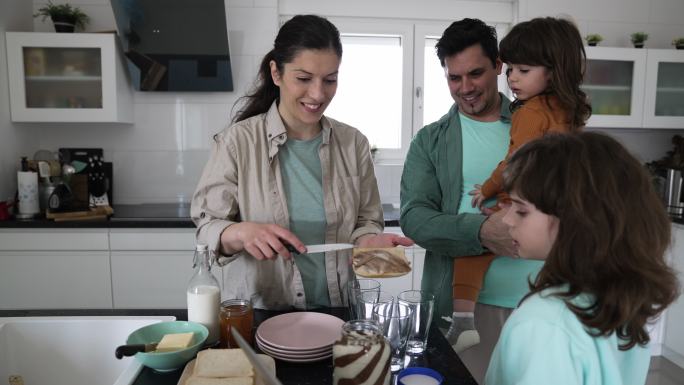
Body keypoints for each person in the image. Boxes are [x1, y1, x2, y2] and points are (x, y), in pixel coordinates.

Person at [191, 14, 412, 310]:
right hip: (261, 312)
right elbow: (206, 228)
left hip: (338, 310)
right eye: (304, 79)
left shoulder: (353, 143)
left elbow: (365, 221)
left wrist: (367, 242)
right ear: (277, 73)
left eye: (330, 80)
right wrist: (241, 233)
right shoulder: (237, 142)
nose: (318, 94)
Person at [400, 18, 536, 382]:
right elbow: (414, 219)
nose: (465, 88)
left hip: (540, 303)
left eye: (475, 73)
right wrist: (481, 231)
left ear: (498, 66)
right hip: (464, 313)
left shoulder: (537, 123)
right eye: (453, 78)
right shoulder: (429, 141)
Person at [485, 132, 679, 385]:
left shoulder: (543, 324)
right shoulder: (620, 302)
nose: (508, 220)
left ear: (577, 219)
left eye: (521, 210)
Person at [449, 17, 591, 352]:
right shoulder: (570, 111)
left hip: (526, 196)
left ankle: (463, 322)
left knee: (470, 247)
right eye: (511, 68)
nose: (511, 77)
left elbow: (517, 161)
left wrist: (487, 189)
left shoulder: (530, 112)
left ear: (553, 71)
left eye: (523, 70)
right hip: (556, 204)